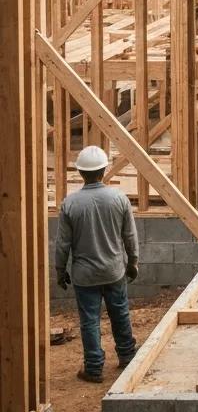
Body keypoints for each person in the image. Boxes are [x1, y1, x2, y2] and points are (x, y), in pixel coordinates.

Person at [55, 146, 140, 383]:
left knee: (89, 320)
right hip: (114, 271)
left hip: (85, 275)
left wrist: (60, 271)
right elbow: (130, 236)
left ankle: (93, 368)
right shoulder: (118, 198)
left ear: (81, 173)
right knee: (120, 313)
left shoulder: (70, 204)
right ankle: (127, 356)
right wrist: (133, 261)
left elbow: (62, 244)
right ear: (104, 170)